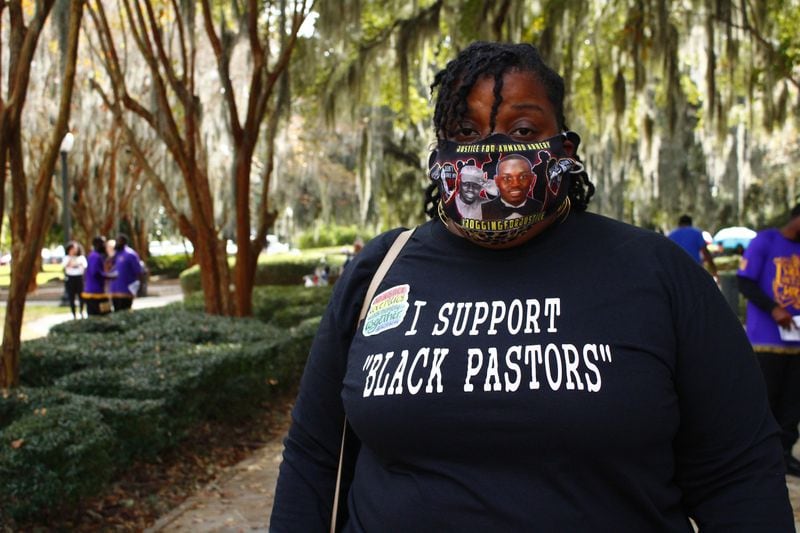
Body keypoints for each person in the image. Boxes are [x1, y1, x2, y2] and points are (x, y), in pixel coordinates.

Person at [270, 42, 793, 531]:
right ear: (440, 154)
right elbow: (314, 455)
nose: (494, 153)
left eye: (522, 130)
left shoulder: (657, 274)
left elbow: (739, 474)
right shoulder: (380, 270)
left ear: (564, 147)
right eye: (467, 132)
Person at [737, 204, 800, 477]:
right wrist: (774, 309)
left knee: (793, 403)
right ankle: (759, 454)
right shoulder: (765, 241)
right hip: (766, 339)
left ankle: (785, 454)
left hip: (797, 340)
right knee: (766, 397)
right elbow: (745, 282)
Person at [480, 154, 542, 220]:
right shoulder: (483, 209)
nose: (515, 184)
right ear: (497, 181)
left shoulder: (541, 206)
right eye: (506, 178)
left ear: (532, 179)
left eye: (523, 177)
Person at [668, 214, 719, 281]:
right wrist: (713, 269)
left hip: (676, 271)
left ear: (679, 224)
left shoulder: (671, 235)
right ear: (691, 223)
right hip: (694, 269)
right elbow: (705, 252)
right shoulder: (697, 233)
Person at [108, 234, 143, 312]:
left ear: (123, 242)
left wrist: (137, 289)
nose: (116, 243)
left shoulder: (130, 254)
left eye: (118, 241)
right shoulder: (116, 254)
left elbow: (138, 272)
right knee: (116, 312)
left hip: (126, 292)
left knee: (124, 312)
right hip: (114, 291)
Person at [81, 236, 112, 316]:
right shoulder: (95, 256)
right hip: (95, 293)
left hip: (96, 291)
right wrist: (110, 276)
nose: (105, 245)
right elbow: (96, 273)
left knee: (104, 312)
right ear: (98, 244)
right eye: (103, 243)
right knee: (100, 314)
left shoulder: (95, 255)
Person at [61, 241, 87, 319]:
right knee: (71, 297)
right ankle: (74, 314)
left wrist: (75, 264)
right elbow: (65, 266)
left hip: (79, 278)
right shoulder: (66, 258)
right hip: (70, 279)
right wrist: (71, 260)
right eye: (72, 249)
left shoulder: (81, 258)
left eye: (75, 249)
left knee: (81, 296)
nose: (74, 251)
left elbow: (84, 266)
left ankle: (81, 311)